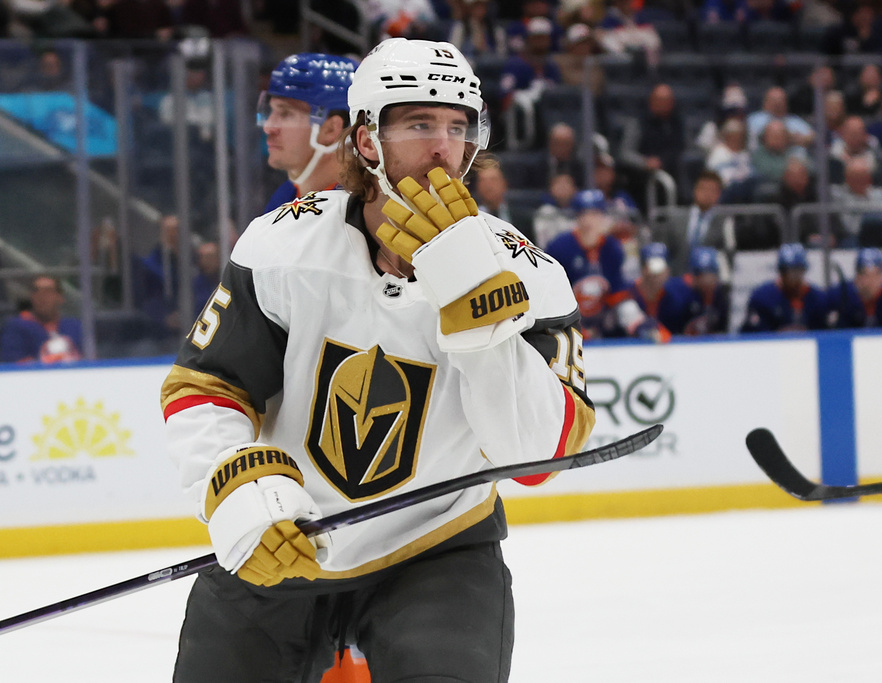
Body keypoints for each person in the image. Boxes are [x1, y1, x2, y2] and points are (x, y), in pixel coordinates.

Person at [159, 37, 596, 683]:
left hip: (438, 548)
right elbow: (206, 389)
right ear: (366, 140)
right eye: (419, 124)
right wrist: (243, 492)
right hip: (288, 536)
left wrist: (485, 320)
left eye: (457, 126)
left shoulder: (530, 275)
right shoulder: (283, 243)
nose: (443, 147)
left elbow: (537, 458)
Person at [546, 189, 656, 340]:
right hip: (566, 326)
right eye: (583, 214)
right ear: (576, 218)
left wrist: (637, 323)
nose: (588, 221)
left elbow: (618, 294)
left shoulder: (613, 249)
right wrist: (572, 327)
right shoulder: (559, 247)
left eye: (594, 214)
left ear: (604, 218)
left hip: (601, 322)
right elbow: (550, 296)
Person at [260, 52, 358, 214]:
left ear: (331, 129)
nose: (268, 127)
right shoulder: (285, 196)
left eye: (285, 114)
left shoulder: (362, 212)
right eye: (270, 111)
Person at [740, 242, 828, 332]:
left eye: (797, 270)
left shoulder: (817, 299)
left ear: (804, 270)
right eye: (788, 271)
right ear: (781, 272)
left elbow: (827, 334)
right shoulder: (762, 298)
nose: (794, 276)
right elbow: (753, 336)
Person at [0, 274, 82, 363]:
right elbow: (13, 362)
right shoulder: (16, 327)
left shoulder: (75, 326)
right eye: (36, 291)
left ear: (60, 297)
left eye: (48, 291)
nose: (41, 296)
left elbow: (90, 358)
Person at [826, 247, 882, 328]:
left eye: (876, 275)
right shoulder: (839, 296)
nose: (872, 281)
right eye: (866, 275)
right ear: (857, 276)